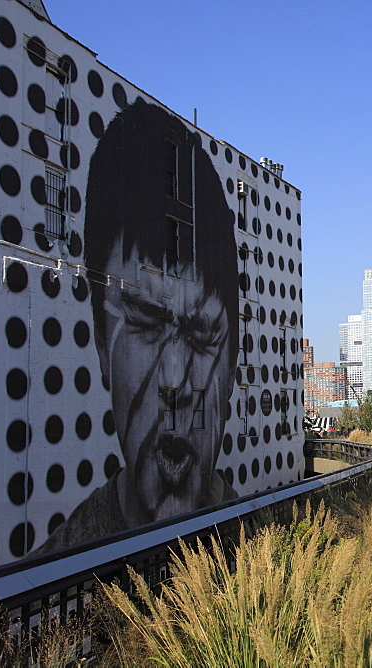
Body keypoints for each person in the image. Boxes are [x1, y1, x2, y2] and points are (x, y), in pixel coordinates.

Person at [40, 100, 239, 553]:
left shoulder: (259, 548)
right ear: (98, 335)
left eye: (202, 335)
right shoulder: (49, 570)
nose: (175, 380)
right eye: (146, 322)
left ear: (232, 368)